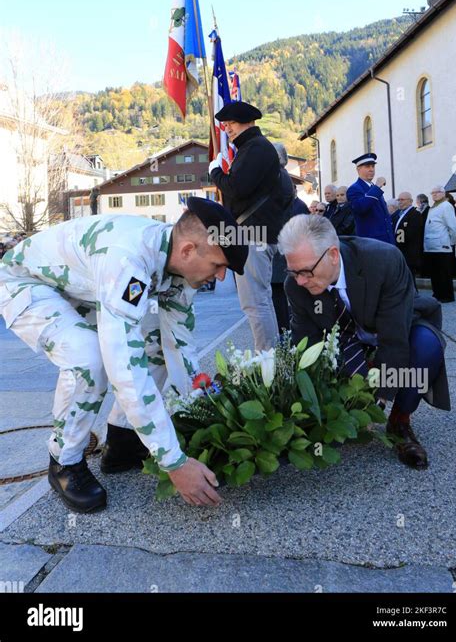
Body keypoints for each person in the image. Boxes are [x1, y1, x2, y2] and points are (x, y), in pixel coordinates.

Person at [0, 200, 248, 513]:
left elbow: (180, 348)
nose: (222, 277)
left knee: (156, 340)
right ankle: (64, 461)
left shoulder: (179, 270)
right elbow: (125, 367)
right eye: (218, 265)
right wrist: (174, 462)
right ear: (188, 250)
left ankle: (123, 440)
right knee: (89, 359)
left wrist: (208, 416)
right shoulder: (128, 261)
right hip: (24, 283)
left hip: (78, 288)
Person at [279, 215, 450, 469]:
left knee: (426, 346)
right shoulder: (295, 286)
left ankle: (399, 421)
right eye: (293, 272)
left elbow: (394, 339)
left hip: (398, 327)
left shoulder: (383, 260)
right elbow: (306, 347)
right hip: (348, 343)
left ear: (333, 255)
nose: (300, 281)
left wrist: (378, 398)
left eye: (305, 271)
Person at [208, 101, 293, 351]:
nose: (227, 129)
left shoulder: (255, 148)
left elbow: (236, 188)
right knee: (259, 301)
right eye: (225, 125)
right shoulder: (254, 148)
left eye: (231, 123)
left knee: (255, 303)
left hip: (254, 234)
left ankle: (267, 359)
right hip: (255, 233)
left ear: (247, 122)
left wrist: (216, 172)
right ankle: (270, 355)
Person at [270, 143, 309, 332]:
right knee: (281, 298)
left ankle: (287, 332)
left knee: (287, 299)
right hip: (281, 255)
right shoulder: (280, 179)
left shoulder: (279, 181)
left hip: (284, 255)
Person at [347, 153, 395, 244]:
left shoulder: (373, 188)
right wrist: (377, 187)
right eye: (367, 166)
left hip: (386, 241)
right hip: (370, 243)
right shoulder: (354, 189)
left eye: (373, 166)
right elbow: (361, 208)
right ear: (358, 169)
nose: (371, 169)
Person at [424, 186, 456, 303]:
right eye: (432, 193)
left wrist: (451, 242)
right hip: (431, 246)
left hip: (442, 245)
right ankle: (437, 293)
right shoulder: (433, 207)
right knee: (435, 273)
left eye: (437, 192)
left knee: (443, 273)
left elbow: (453, 226)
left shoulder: (446, 206)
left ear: (443, 193)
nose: (434, 194)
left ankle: (446, 296)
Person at [394, 192, 423, 287]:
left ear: (410, 201)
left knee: (409, 277)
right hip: (400, 250)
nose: (400, 202)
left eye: (402, 200)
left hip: (409, 252)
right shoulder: (399, 214)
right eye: (399, 200)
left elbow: (413, 235)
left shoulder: (415, 215)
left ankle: (413, 297)